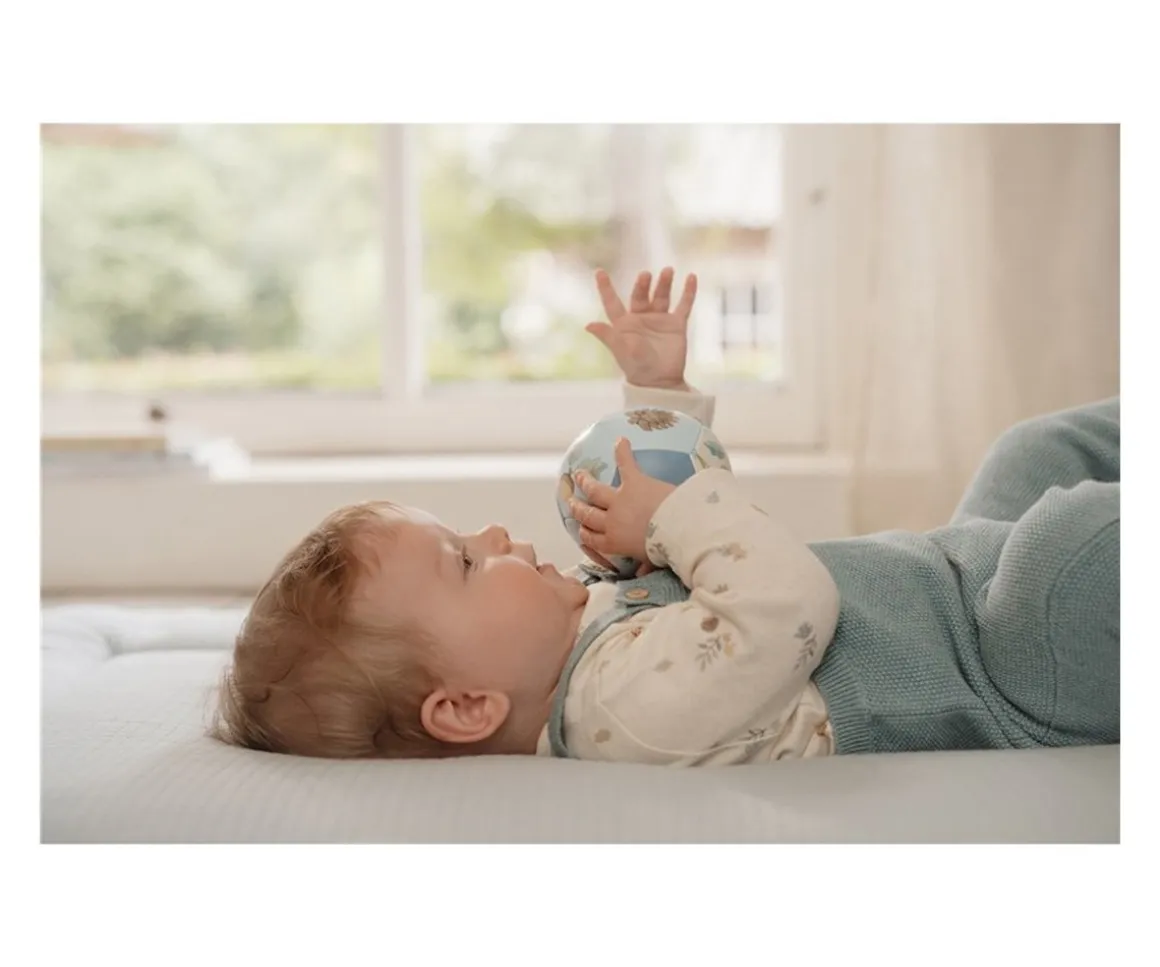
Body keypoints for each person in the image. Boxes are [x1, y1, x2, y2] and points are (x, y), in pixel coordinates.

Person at [212, 267, 1120, 765]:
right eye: (463, 562)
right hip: (1004, 661)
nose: (492, 536)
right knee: (1067, 550)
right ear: (466, 706)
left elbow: (672, 542)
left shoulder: (587, 638)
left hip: (953, 580)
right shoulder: (627, 706)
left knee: (1031, 453)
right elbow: (783, 603)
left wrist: (657, 400)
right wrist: (676, 513)